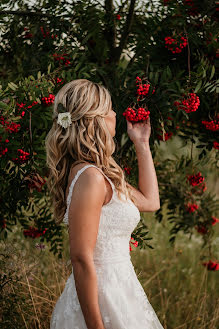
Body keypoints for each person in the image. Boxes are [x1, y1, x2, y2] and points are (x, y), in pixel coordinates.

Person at [45, 79, 164, 329]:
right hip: (101, 297)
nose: (115, 114)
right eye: (109, 109)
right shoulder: (90, 177)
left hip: (122, 290)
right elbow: (80, 258)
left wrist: (141, 144)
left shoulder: (102, 173)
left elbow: (151, 202)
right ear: (95, 119)